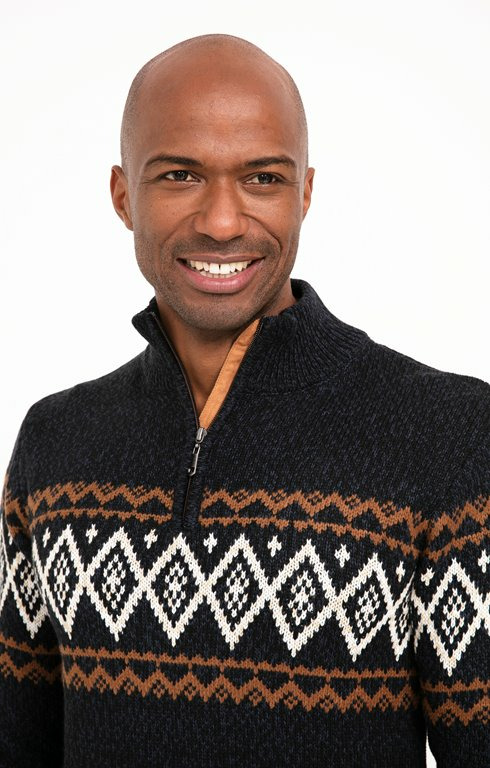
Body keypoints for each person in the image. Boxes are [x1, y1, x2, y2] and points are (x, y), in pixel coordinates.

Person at [0, 33, 488, 768]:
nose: (223, 222)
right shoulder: (54, 443)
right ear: (123, 196)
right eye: (180, 176)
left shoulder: (449, 436)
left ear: (305, 194)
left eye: (262, 178)